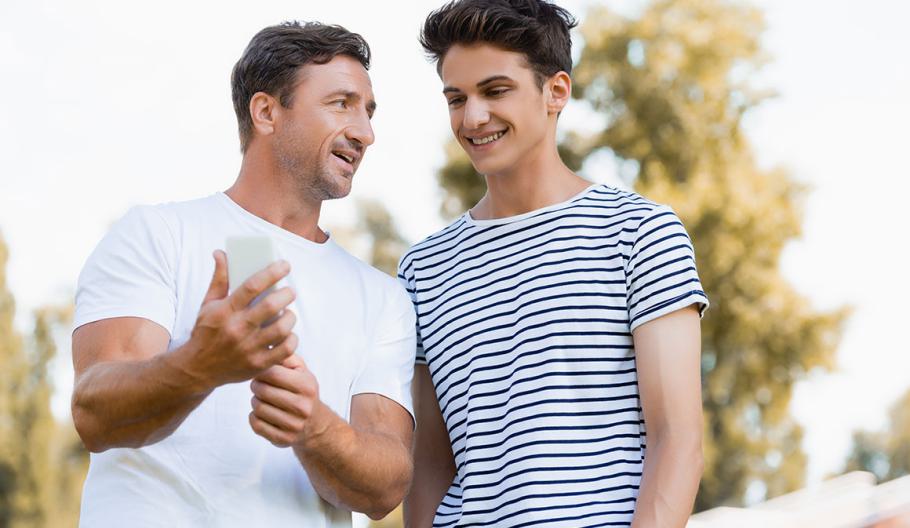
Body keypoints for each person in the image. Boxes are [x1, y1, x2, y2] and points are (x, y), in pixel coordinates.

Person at [71, 21, 415, 527]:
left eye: (368, 111)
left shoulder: (383, 297)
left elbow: (385, 488)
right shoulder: (157, 234)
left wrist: (313, 423)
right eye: (341, 103)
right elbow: (95, 415)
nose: (365, 132)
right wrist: (201, 365)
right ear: (266, 112)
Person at [398, 1, 710, 526]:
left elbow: (677, 442)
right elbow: (430, 466)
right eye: (457, 98)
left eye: (495, 91)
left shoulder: (639, 233)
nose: (473, 117)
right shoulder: (422, 268)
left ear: (556, 92)